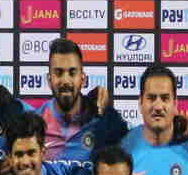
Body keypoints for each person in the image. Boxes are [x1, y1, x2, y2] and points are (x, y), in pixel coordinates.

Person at [34, 37, 126, 165]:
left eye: (72, 73)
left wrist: (108, 112)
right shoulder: (35, 124)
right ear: (49, 80)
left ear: (83, 79)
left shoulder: (102, 121)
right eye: (59, 73)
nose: (65, 81)